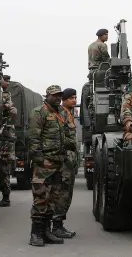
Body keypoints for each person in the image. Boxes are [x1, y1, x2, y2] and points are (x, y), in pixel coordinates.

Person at [27, 85, 72, 247]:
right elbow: (34, 137)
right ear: (47, 96)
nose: (58, 98)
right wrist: (38, 158)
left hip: (58, 162)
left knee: (53, 199)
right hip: (44, 163)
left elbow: (65, 134)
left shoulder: (61, 113)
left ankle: (46, 232)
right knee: (41, 198)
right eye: (54, 95)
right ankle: (35, 234)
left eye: (59, 95)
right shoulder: (39, 112)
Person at [51, 87, 78, 239]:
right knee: (62, 192)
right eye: (71, 98)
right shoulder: (61, 113)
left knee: (67, 193)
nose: (74, 100)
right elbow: (60, 136)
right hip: (64, 159)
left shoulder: (70, 113)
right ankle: (57, 226)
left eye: (75, 97)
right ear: (64, 100)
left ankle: (59, 224)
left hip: (70, 158)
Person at [0, 74, 17, 207]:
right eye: (6, 80)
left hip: (5, 138)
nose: (8, 83)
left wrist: (8, 108)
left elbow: (10, 109)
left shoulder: (6, 96)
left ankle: (6, 198)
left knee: (4, 170)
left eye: (9, 81)